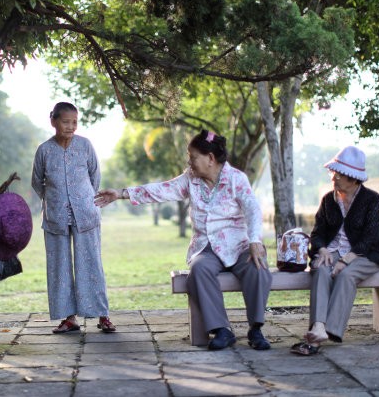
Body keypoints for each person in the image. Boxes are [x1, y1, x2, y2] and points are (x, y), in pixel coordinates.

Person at [95, 130, 272, 350]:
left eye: (193, 156)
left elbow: (253, 209)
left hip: (238, 245)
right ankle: (221, 330)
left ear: (210, 158)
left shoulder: (237, 178)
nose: (189, 161)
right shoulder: (191, 179)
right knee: (199, 270)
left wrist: (255, 240)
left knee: (258, 267)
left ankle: (256, 329)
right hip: (206, 247)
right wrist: (121, 193)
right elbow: (161, 190)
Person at [291, 145, 379, 356]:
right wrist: (323, 249)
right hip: (333, 250)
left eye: (337, 175)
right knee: (320, 267)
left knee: (346, 275)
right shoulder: (329, 199)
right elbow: (317, 232)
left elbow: (370, 237)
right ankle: (318, 326)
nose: (333, 179)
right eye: (332, 174)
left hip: (365, 254)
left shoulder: (372, 199)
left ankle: (325, 333)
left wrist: (346, 260)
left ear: (353, 179)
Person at [31, 102, 116, 334]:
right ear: (53, 122)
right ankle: (69, 318)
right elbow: (37, 182)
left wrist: (83, 199)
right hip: (55, 217)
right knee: (59, 267)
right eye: (66, 122)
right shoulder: (44, 150)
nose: (71, 127)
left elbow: (94, 177)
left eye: (75, 122)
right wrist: (54, 201)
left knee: (91, 264)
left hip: (86, 214)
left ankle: (102, 315)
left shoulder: (85, 146)